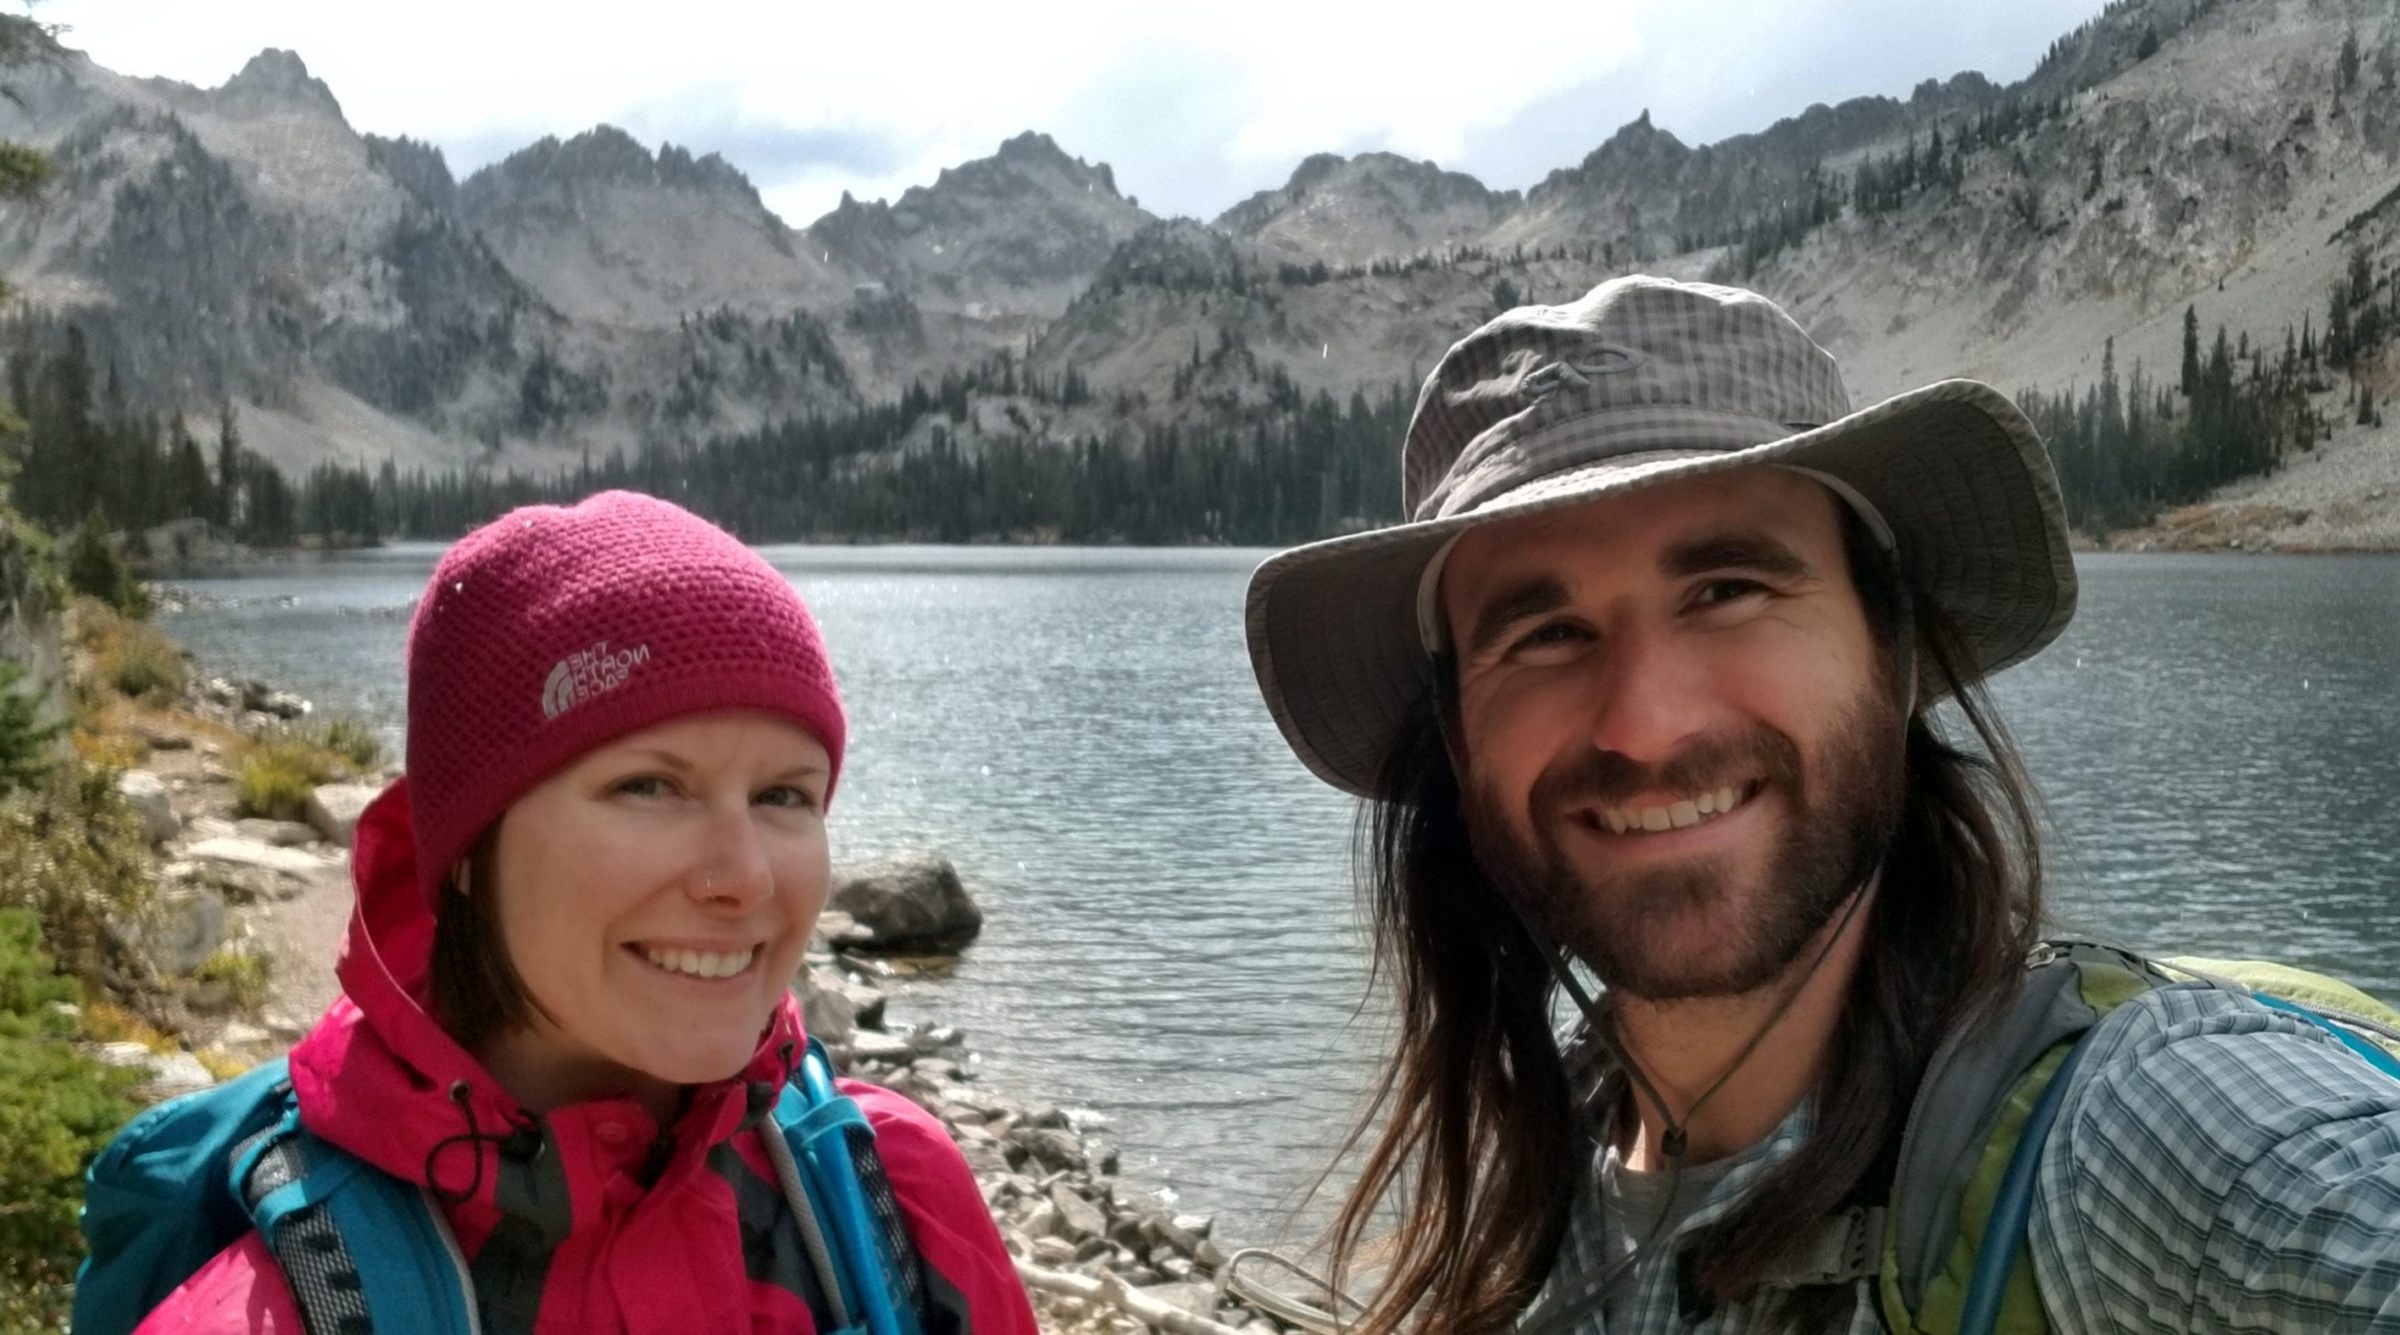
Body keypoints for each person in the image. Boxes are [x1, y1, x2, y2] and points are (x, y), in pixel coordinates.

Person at [1242, 276, 2400, 1333]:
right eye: (1544, 636)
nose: (1643, 724)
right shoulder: (1554, 1159)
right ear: (1459, 739)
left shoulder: (2135, 1138)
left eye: (1728, 589)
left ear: (1893, 654)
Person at [99, 491, 1038, 1334]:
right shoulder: (272, 1310)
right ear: (465, 849)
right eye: (648, 787)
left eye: (785, 796)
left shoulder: (896, 1209)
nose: (745, 878)